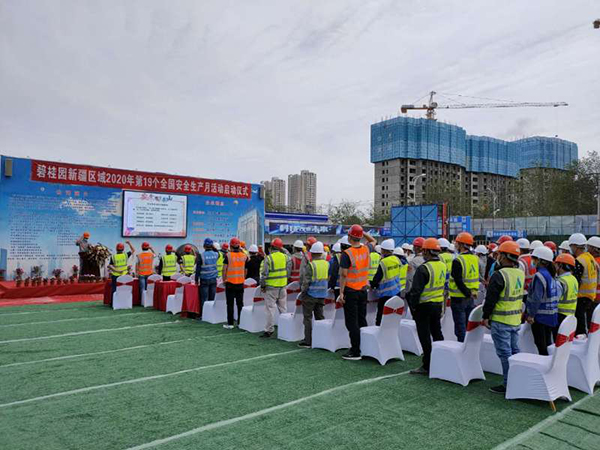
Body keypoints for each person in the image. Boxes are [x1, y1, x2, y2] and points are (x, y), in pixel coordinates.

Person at [482, 241, 524, 394]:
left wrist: (485, 316)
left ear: (505, 256)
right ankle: (518, 379)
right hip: (515, 320)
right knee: (514, 351)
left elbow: (490, 299)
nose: (497, 257)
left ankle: (508, 384)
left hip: (501, 321)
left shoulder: (499, 275)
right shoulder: (520, 273)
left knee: (505, 354)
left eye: (499, 254)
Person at [405, 238, 447, 375]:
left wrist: (413, 306)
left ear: (427, 251)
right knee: (437, 333)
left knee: (424, 336)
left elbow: (415, 291)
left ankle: (427, 364)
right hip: (437, 304)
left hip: (424, 306)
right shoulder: (442, 265)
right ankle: (441, 359)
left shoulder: (424, 268)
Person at [338, 225, 376, 360]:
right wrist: (362, 232)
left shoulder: (347, 253)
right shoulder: (366, 249)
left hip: (351, 291)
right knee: (361, 319)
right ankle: (364, 347)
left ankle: (355, 350)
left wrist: (341, 293)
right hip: (362, 290)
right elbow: (373, 241)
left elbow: (343, 275)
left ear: (349, 237)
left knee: (351, 322)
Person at [525, 246, 558, 356]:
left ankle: (544, 363)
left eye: (534, 259)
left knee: (541, 344)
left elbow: (536, 298)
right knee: (547, 343)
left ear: (540, 260)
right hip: (550, 315)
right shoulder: (550, 275)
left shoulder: (539, 276)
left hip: (540, 316)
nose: (532, 261)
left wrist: (531, 315)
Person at [448, 232, 479, 342]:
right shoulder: (475, 258)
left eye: (457, 243)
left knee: (460, 328)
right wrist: (470, 293)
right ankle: (469, 346)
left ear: (461, 245)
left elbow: (458, 280)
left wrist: (466, 292)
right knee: (467, 325)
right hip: (471, 297)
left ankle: (462, 347)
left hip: (459, 297)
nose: (455, 245)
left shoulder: (458, 260)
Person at [298, 241, 329, 348]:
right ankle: (321, 339)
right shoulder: (327, 264)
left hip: (310, 295)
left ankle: (308, 341)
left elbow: (306, 282)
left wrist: (303, 292)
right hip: (322, 295)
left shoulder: (311, 265)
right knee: (320, 317)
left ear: (312, 253)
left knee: (307, 318)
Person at [259, 238, 290, 337]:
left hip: (271, 287)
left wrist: (263, 285)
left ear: (271, 247)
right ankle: (285, 327)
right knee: (283, 309)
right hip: (283, 286)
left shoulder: (269, 258)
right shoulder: (286, 257)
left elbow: (264, 274)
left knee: (270, 309)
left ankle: (269, 330)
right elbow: (288, 270)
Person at [569, 233, 598, 336]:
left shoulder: (579, 260)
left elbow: (576, 280)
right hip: (591, 295)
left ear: (575, 246)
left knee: (580, 324)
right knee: (588, 322)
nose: (571, 248)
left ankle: (581, 337)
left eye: (571, 246)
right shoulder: (590, 258)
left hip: (581, 296)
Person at [370, 238, 401, 326]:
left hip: (385, 294)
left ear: (384, 250)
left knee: (381, 315)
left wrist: (372, 285)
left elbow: (377, 278)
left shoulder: (383, 262)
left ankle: (379, 329)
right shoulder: (397, 259)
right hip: (397, 292)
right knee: (393, 314)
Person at [222, 238, 248, 329]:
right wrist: (243, 278)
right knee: (240, 304)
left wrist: (224, 280)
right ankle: (241, 323)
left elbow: (224, 269)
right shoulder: (244, 256)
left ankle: (230, 323)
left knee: (230, 304)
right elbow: (245, 270)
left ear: (231, 245)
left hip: (230, 283)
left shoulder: (228, 255)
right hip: (240, 283)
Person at [554, 253, 578, 339]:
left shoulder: (560, 282)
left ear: (561, 265)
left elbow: (554, 300)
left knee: (557, 342)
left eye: (556, 264)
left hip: (560, 316)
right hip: (571, 316)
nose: (555, 266)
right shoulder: (573, 279)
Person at [197, 238, 219, 319]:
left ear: (204, 246)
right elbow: (217, 251)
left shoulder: (201, 255)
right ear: (212, 245)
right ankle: (211, 315)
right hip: (213, 279)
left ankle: (204, 315)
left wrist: (196, 280)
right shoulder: (216, 254)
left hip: (204, 280)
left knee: (204, 299)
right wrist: (213, 247)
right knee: (212, 298)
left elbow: (198, 269)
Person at [517, 238, 536, 303]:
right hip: (532, 289)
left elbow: (518, 280)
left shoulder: (520, 262)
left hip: (523, 292)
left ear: (520, 250)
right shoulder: (533, 259)